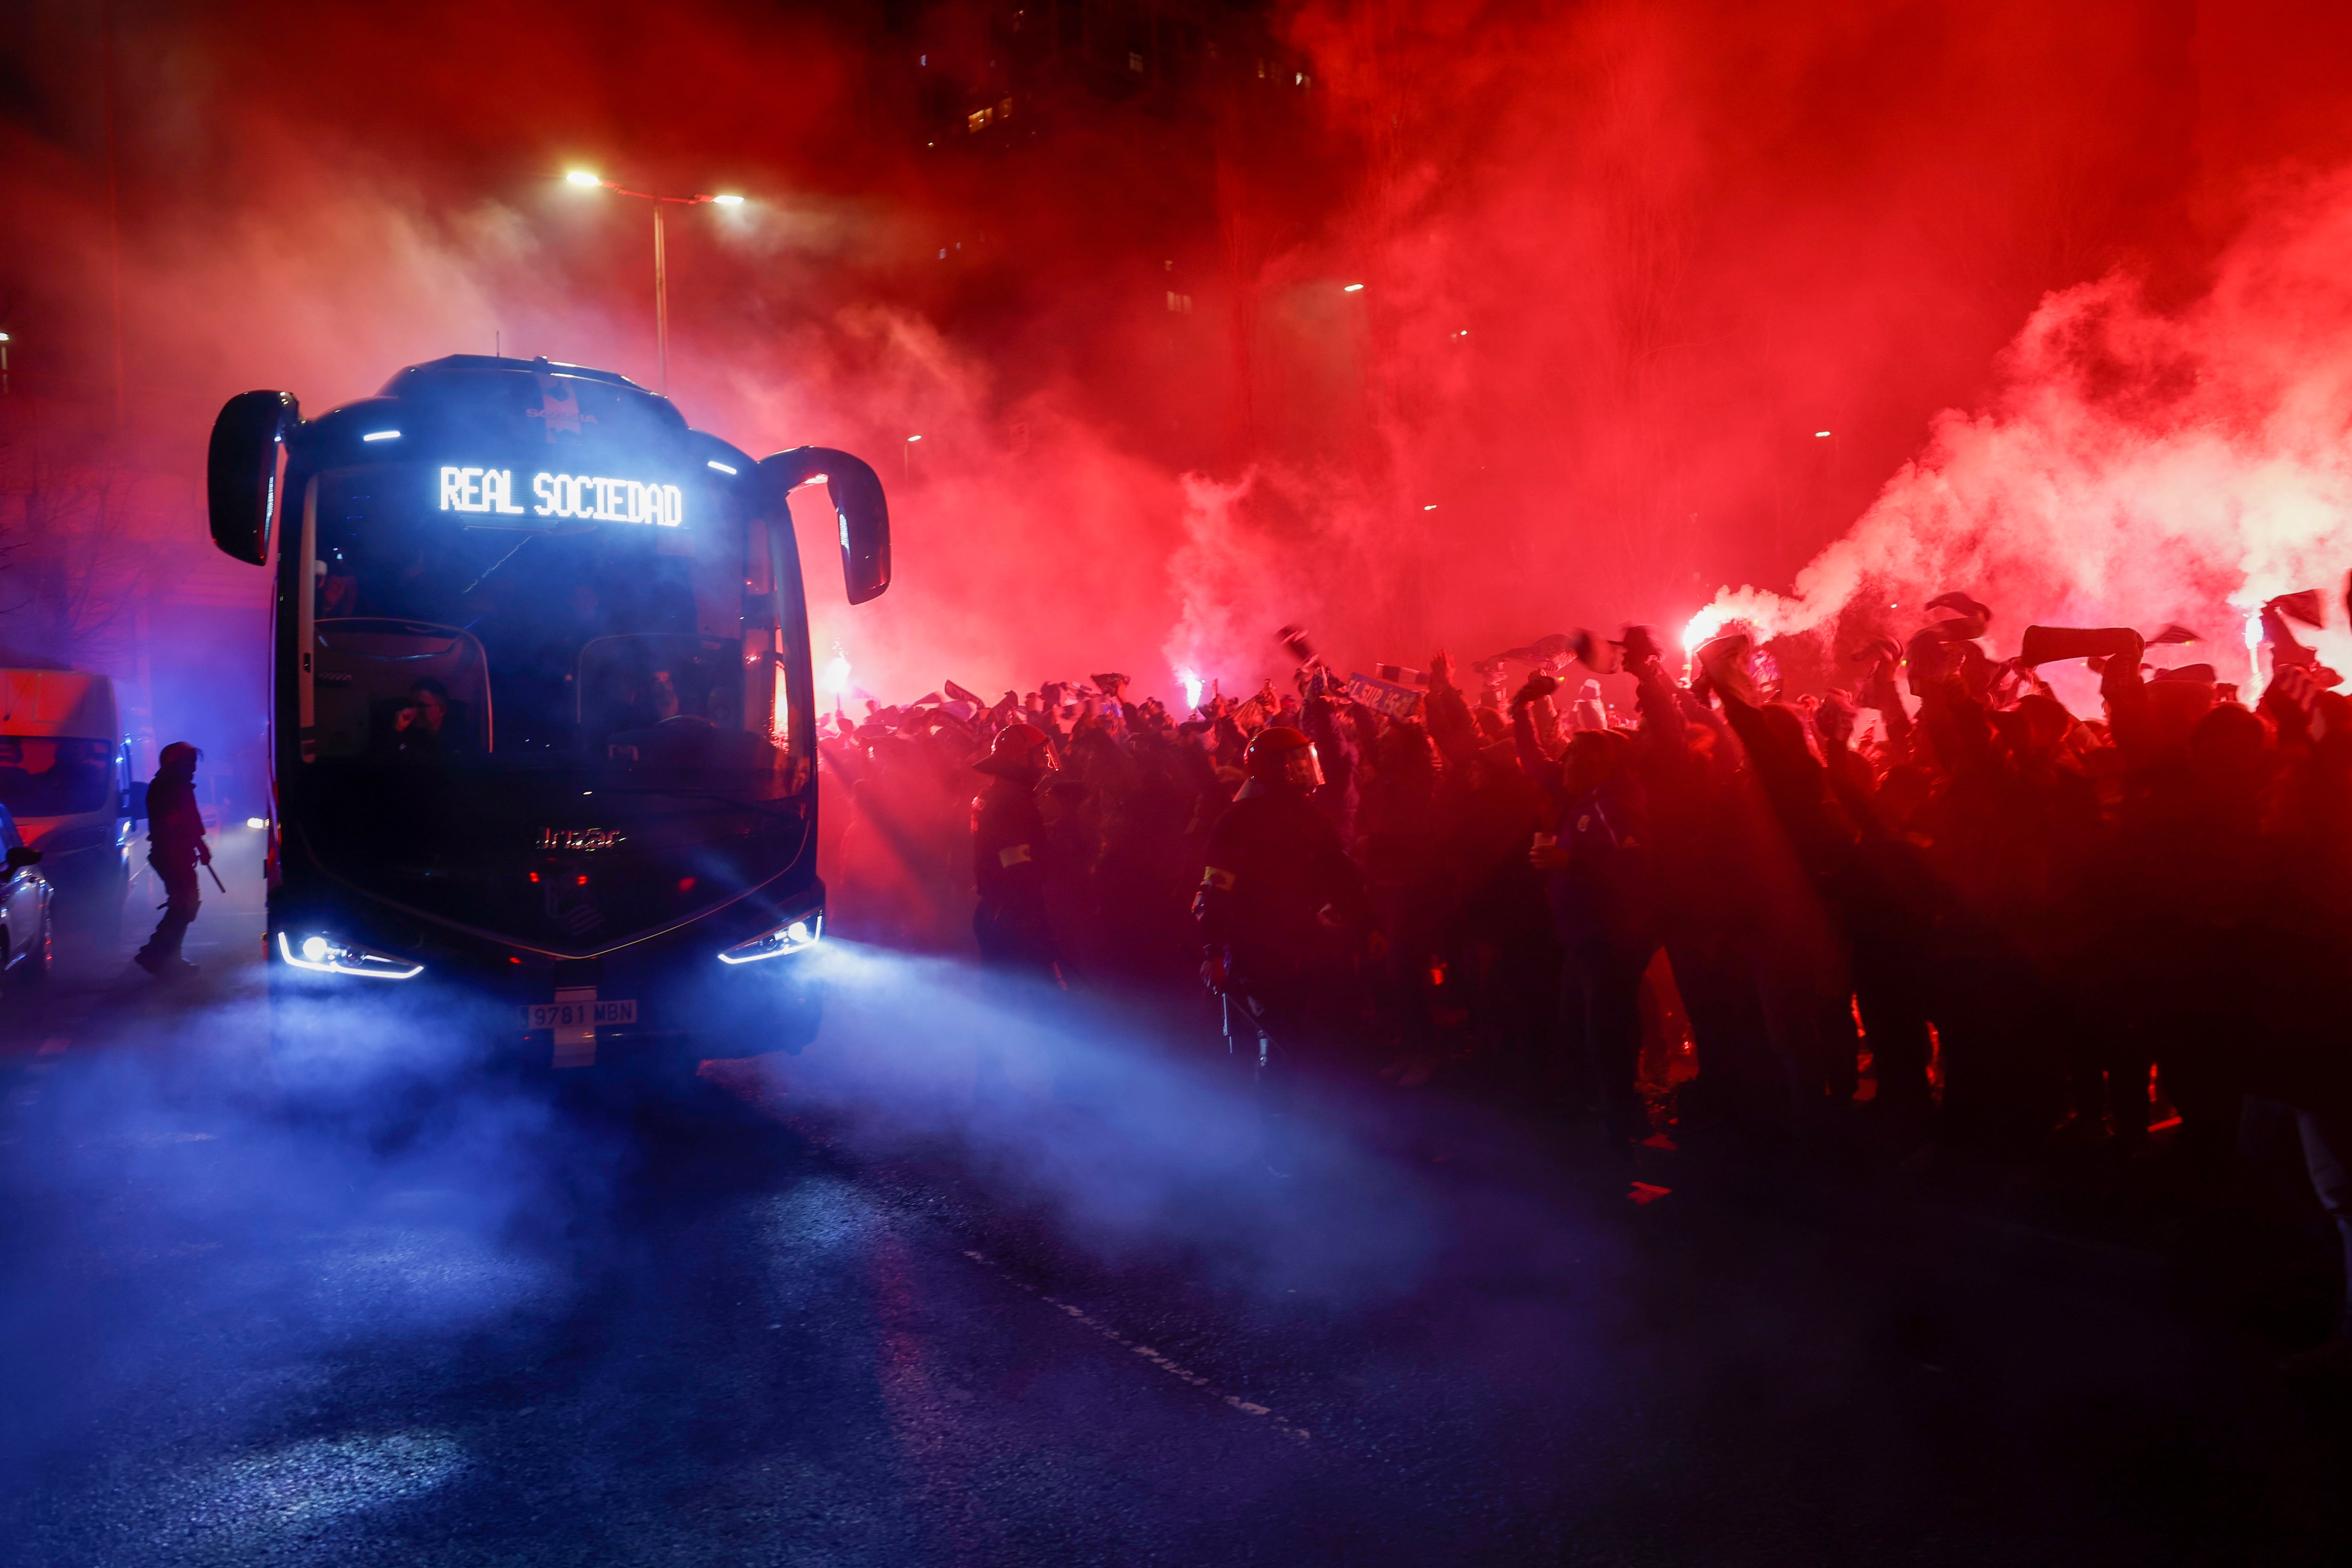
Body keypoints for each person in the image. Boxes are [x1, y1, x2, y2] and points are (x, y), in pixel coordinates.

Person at [1195, 725, 1376, 1151]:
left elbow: (1340, 874)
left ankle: (1320, 1127)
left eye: (1303, 759)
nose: (1302, 769)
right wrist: (1213, 950)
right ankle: (1276, 1138)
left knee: (1317, 1039)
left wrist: (1368, 924)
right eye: (1291, 762)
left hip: (1311, 946)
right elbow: (1213, 889)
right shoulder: (1237, 822)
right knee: (1277, 1043)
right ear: (1269, 769)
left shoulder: (1309, 814)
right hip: (1260, 948)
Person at [969, 721, 1064, 981]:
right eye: (1039, 757)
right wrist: (1029, 918)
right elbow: (1016, 865)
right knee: (1035, 995)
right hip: (1014, 916)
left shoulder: (996, 795)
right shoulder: (1013, 805)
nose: (1044, 765)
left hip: (998, 911)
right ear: (1020, 759)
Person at [133, 741, 208, 978]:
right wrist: (194, 844)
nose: (193, 768)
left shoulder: (177, 785)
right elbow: (177, 822)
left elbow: (190, 821)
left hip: (175, 854)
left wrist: (199, 845)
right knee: (184, 905)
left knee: (184, 905)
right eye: (189, 763)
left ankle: (162, 955)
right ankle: (160, 955)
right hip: (171, 854)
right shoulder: (167, 787)